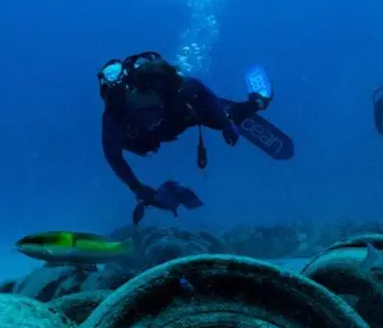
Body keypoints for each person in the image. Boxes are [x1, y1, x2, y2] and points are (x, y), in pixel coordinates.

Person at [99, 51, 271, 221]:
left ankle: (259, 100)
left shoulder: (177, 90)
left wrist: (225, 122)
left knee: (222, 112)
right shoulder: (115, 115)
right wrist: (136, 187)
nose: (157, 102)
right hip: (148, 135)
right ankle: (227, 113)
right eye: (153, 99)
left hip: (174, 119)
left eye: (160, 98)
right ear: (137, 91)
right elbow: (113, 156)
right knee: (150, 137)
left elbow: (200, 89)